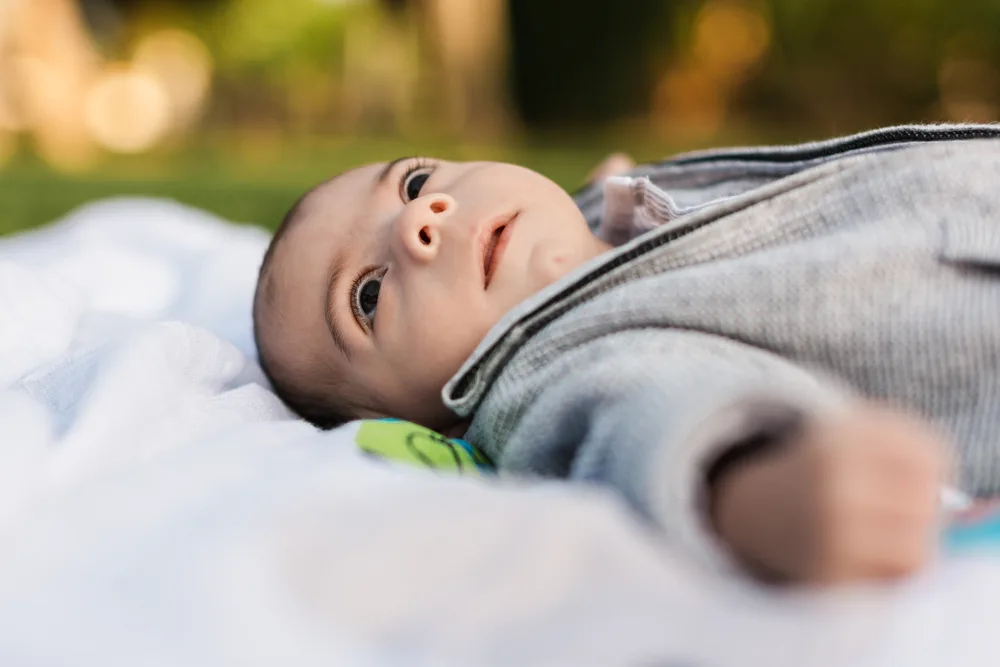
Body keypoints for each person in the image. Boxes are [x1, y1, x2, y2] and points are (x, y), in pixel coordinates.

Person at [253, 124, 1000, 584]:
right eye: (369, 297)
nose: (423, 216)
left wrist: (591, 199)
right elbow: (657, 416)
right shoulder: (555, 368)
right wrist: (761, 492)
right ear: (435, 416)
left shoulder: (584, 231)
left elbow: (577, 221)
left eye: (415, 181)